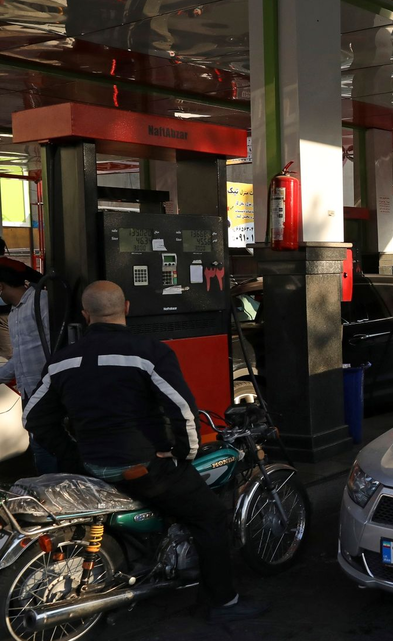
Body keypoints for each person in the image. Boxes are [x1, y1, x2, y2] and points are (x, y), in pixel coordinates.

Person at [24, 281, 265, 623]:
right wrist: (184, 453)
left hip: (92, 466)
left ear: (85, 315)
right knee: (210, 517)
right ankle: (223, 602)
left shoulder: (62, 360)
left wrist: (73, 456)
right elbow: (182, 409)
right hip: (141, 465)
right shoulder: (148, 352)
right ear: (126, 308)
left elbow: (33, 416)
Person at [0, 262, 51, 471]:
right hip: (29, 388)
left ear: (1, 286)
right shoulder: (14, 314)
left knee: (45, 445)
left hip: (47, 387)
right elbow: (19, 357)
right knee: (38, 443)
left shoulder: (41, 301)